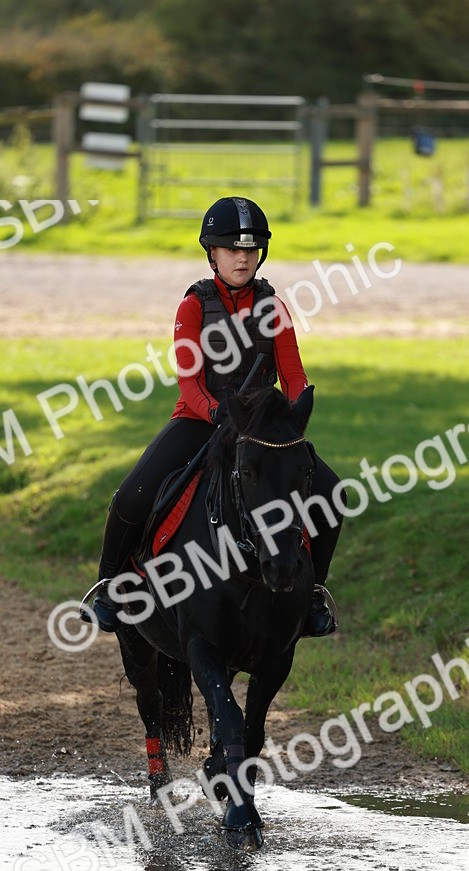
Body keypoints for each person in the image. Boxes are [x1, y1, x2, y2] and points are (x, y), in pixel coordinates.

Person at [82, 195, 343, 637]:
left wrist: (296, 414)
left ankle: (312, 591)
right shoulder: (193, 307)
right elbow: (190, 383)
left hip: (259, 432)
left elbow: (293, 374)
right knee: (132, 494)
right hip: (199, 421)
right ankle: (109, 587)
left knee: (331, 491)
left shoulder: (275, 309)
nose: (242, 258)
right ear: (212, 254)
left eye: (250, 250)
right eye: (231, 250)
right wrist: (219, 411)